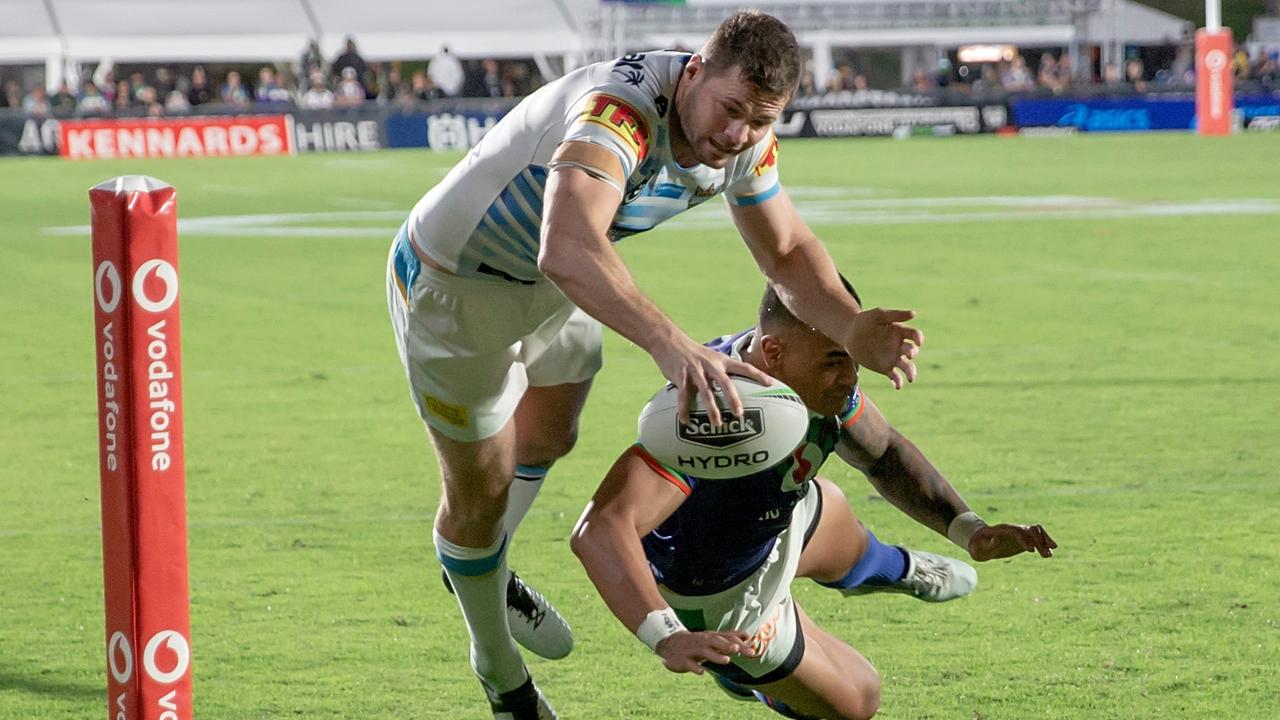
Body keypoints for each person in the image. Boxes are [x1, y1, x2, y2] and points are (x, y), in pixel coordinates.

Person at [385, 11, 923, 719]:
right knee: (477, 500)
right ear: (694, 71)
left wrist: (851, 325)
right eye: (730, 110)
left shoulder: (743, 137)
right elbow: (569, 244)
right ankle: (499, 668)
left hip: (545, 288)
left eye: (758, 122)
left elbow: (786, 252)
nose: (736, 135)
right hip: (455, 293)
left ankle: (478, 570)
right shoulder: (619, 112)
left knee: (552, 430)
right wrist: (672, 344)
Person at [572, 281, 1056, 719]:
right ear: (773, 353)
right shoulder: (715, 414)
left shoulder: (806, 359)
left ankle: (898, 567)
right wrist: (667, 636)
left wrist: (969, 529)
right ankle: (752, 681)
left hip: (777, 517)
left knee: (832, 507)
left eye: (851, 357)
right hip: (722, 594)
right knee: (858, 701)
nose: (850, 378)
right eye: (834, 361)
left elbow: (882, 451)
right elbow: (600, 530)